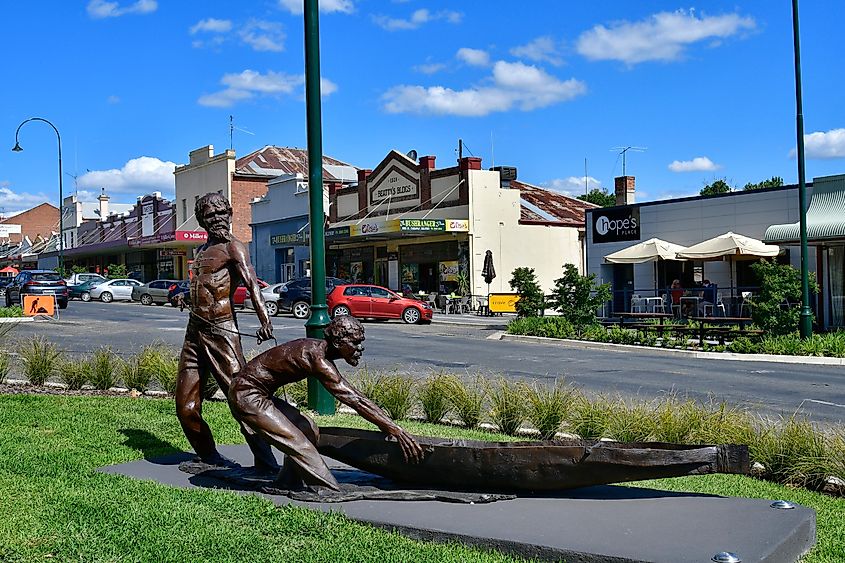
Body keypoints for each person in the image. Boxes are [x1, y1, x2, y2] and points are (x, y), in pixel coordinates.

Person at [228, 316, 423, 492]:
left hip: (259, 393)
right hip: (246, 395)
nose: (360, 348)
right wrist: (395, 429)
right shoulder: (317, 359)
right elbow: (355, 400)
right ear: (338, 341)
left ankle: (288, 480)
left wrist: (392, 428)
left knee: (307, 428)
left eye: (360, 342)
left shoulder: (319, 350)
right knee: (299, 442)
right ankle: (327, 488)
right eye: (354, 343)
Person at [176, 193, 276, 472]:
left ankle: (266, 464)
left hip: (222, 332)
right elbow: (205, 285)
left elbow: (252, 285)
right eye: (211, 215)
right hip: (194, 333)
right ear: (201, 221)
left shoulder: (235, 248)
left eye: (223, 213)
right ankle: (208, 457)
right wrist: (187, 297)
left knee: (241, 399)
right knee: (185, 406)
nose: (219, 219)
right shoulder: (201, 251)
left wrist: (264, 319)